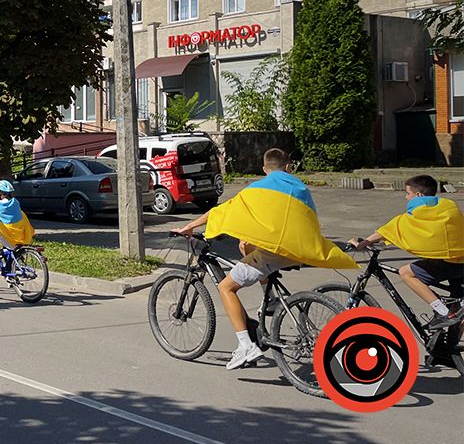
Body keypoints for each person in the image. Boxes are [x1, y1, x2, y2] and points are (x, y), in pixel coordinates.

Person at [172, 148, 356, 370]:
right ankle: (269, 300)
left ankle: (245, 346)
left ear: (264, 169)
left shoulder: (258, 189)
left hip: (276, 254)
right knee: (247, 245)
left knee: (225, 288)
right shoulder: (300, 188)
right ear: (288, 167)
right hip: (301, 251)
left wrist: (189, 227)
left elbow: (221, 211)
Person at [353, 175, 464, 331]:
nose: (406, 197)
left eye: (408, 194)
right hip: (461, 262)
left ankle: (442, 311)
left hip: (450, 264)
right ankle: (447, 351)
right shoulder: (449, 208)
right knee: (458, 311)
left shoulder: (418, 214)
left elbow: (392, 228)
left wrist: (363, 243)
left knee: (406, 272)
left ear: (418, 195)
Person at [0, 180, 36, 267]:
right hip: (20, 235)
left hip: (9, 237)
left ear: (1, 193)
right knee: (8, 250)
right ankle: (11, 270)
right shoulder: (15, 203)